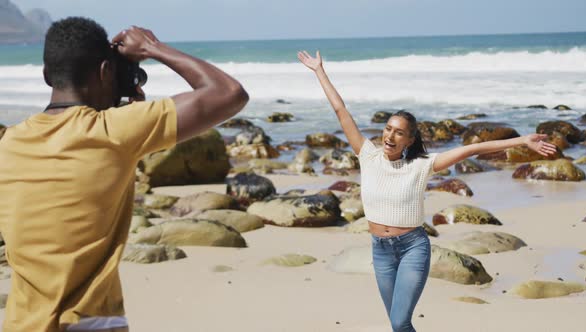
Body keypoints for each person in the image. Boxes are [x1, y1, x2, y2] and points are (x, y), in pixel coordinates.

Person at [0, 17, 248, 332]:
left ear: (47, 75)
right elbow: (228, 93)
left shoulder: (9, 142)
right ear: (106, 72)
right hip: (90, 322)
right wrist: (152, 48)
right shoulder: (115, 132)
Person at [297, 50, 556, 332]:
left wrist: (523, 140)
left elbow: (472, 148)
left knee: (399, 322)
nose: (390, 136)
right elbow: (341, 111)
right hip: (380, 251)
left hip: (412, 249)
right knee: (400, 326)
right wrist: (319, 71)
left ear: (409, 140)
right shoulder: (367, 155)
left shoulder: (422, 165)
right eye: (387, 129)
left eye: (398, 132)